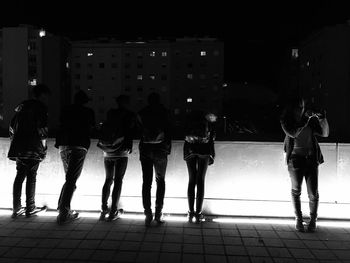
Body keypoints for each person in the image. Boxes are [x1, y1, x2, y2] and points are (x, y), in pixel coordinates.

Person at [280, 96, 329, 232]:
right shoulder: (286, 121)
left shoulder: (309, 121)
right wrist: (305, 119)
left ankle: (313, 221)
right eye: (299, 107)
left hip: (312, 158)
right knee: (296, 191)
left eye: (303, 106)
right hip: (295, 159)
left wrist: (322, 118)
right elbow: (294, 133)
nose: (301, 109)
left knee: (313, 193)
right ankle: (299, 219)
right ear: (292, 108)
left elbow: (325, 134)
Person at [8, 84, 50, 218]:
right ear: (41, 96)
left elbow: (12, 127)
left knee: (19, 176)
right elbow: (43, 131)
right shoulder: (40, 108)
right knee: (31, 177)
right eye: (45, 97)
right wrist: (43, 148)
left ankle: (16, 208)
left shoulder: (21, 108)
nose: (46, 100)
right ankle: (30, 207)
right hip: (33, 146)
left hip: (19, 147)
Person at [55, 90, 95, 224]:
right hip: (79, 145)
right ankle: (64, 212)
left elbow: (60, 125)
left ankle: (63, 208)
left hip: (64, 145)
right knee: (71, 180)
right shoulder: (88, 112)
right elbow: (92, 128)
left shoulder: (66, 110)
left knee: (69, 179)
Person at [97, 95, 136, 221]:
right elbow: (130, 131)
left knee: (108, 179)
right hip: (121, 152)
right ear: (127, 103)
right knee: (118, 180)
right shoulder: (129, 114)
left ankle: (103, 209)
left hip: (107, 151)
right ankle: (113, 210)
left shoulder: (111, 113)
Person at [138, 92, 171, 226]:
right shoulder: (164, 112)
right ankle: (158, 214)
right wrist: (167, 147)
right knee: (160, 181)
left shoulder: (142, 112)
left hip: (145, 149)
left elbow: (138, 130)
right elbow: (169, 130)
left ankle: (147, 214)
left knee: (146, 182)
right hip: (161, 149)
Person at [183, 110, 216, 223]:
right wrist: (212, 154)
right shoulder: (207, 123)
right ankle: (198, 214)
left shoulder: (188, 121)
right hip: (204, 150)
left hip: (190, 150)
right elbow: (212, 138)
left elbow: (184, 135)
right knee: (200, 180)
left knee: (191, 180)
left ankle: (190, 212)